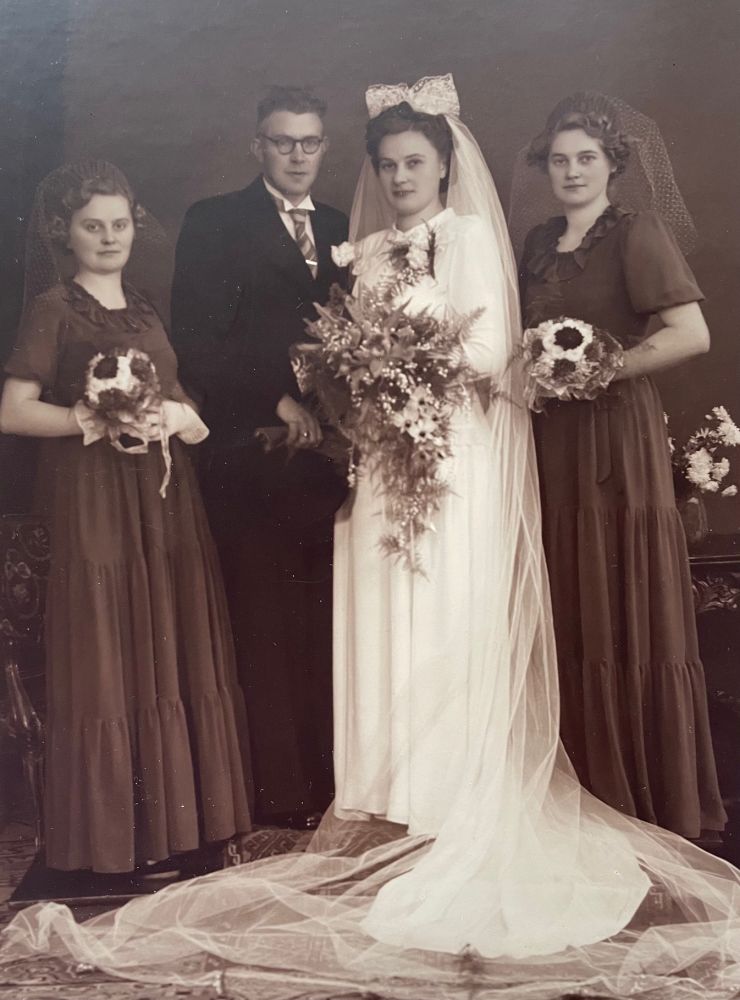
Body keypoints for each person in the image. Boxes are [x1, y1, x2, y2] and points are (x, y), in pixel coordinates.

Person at [1, 81, 738, 1000]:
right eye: (386, 165)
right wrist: (354, 385)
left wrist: (402, 372)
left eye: (414, 164)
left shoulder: (470, 240)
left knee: (444, 598)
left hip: (454, 450)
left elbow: (489, 356)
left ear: (444, 167)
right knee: (381, 598)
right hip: (383, 454)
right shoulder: (371, 246)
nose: (398, 179)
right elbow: (335, 349)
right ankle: (390, 795)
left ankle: (450, 791)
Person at [0, 161, 252, 874]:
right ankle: (114, 843)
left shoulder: (143, 307)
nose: (109, 237)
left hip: (163, 499)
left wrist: (178, 415)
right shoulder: (54, 307)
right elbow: (12, 411)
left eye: (119, 224)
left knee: (167, 634)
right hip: (93, 500)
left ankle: (181, 831)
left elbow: (176, 393)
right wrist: (87, 418)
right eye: (93, 226)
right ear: (66, 232)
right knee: (109, 646)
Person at [513, 92, 727, 839]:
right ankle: (582, 788)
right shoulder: (537, 243)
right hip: (555, 441)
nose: (572, 171)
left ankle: (647, 796)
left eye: (587, 158)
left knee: (622, 597)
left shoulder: (637, 232)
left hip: (616, 436)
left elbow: (690, 333)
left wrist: (604, 368)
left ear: (613, 165)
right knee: (571, 593)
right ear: (545, 167)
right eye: (560, 160)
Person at [170, 85, 349, 828]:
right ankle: (279, 795)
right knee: (265, 623)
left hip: (324, 462)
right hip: (248, 456)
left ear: (324, 146)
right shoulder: (214, 221)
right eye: (282, 142)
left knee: (323, 622)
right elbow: (195, 339)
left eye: (309, 142)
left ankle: (334, 787)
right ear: (258, 146)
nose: (297, 155)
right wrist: (276, 400)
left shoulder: (342, 227)